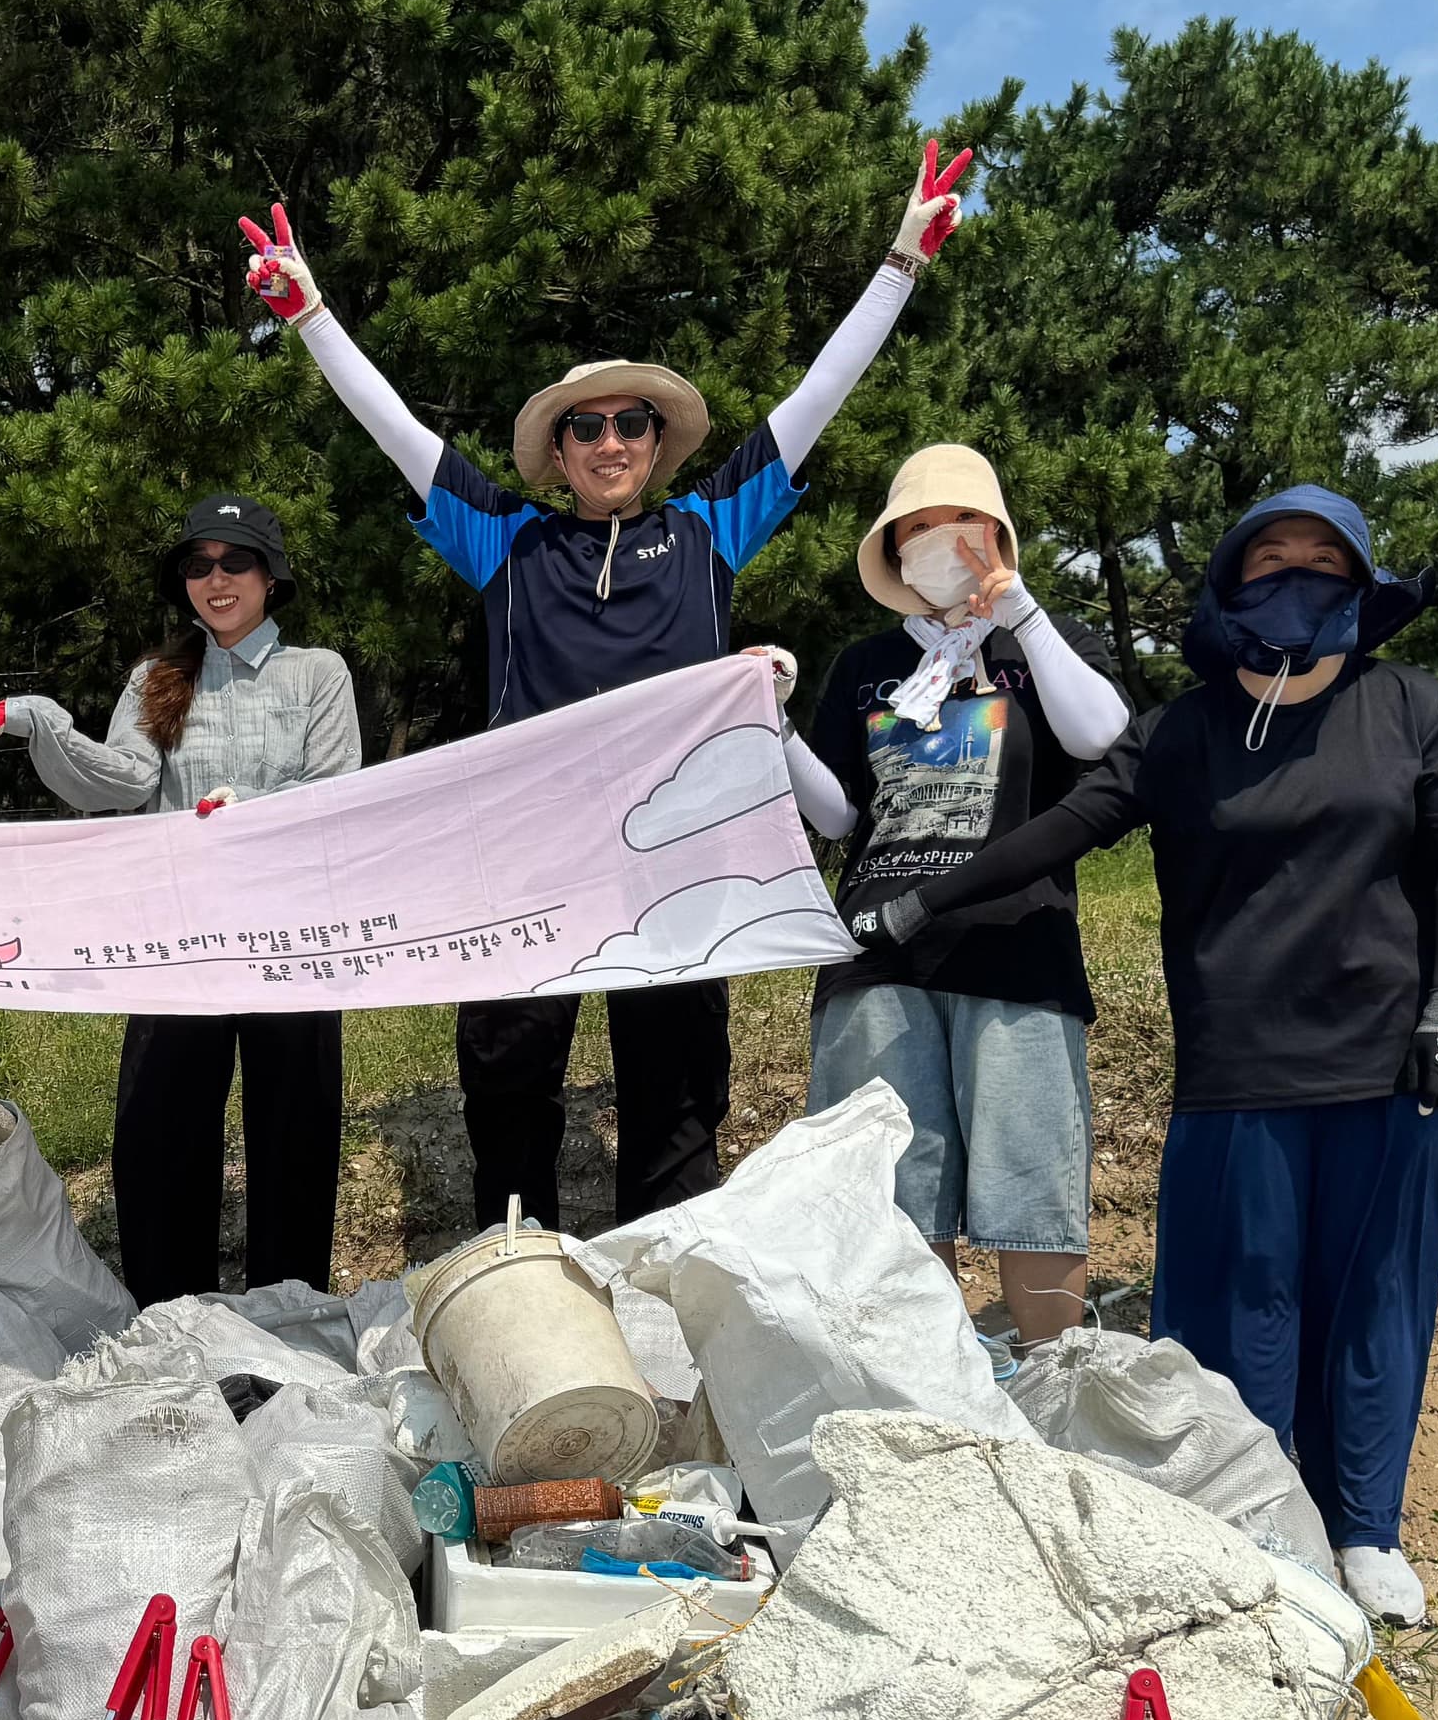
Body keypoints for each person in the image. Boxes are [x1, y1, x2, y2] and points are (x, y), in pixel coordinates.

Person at [240, 144, 971, 1231]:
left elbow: (819, 391)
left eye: (633, 423)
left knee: (678, 1097)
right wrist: (310, 315)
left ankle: (670, 1307)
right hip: (527, 867)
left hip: (678, 866)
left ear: (661, 442)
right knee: (507, 1083)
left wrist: (901, 264)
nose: (611, 439)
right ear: (561, 451)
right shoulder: (506, 542)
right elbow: (396, 430)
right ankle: (518, 1283)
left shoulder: (710, 529)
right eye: (587, 426)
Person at [845, 486, 1438, 1626]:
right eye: (1270, 559)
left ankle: (1365, 1532)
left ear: (1363, 581)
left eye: (1322, 561)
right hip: (1237, 1060)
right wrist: (920, 906)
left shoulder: (1413, 709)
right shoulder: (1183, 732)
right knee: (1243, 1306)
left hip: (1390, 1060)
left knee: (1375, 1301)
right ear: (1230, 585)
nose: (1295, 577)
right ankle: (1257, 1516)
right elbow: (1060, 829)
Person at [0, 494, 364, 1305]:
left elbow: (335, 791)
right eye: (198, 565)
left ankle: (293, 1316)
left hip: (291, 942)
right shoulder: (155, 678)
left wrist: (255, 815)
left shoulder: (320, 673)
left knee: (294, 1137)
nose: (216, 578)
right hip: (179, 944)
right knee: (158, 1135)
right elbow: (120, 782)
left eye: (235, 561)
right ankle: (176, 1321)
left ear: (271, 577)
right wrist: (40, 723)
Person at [785, 444, 1132, 1345]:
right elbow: (836, 815)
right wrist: (772, 723)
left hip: (1017, 949)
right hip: (873, 956)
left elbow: (1101, 737)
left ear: (999, 534)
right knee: (897, 1201)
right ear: (893, 548)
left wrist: (1016, 609)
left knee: (1032, 1190)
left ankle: (1054, 1379)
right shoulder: (865, 663)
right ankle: (933, 1393)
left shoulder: (1047, 642)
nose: (942, 541)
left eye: (962, 524)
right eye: (919, 528)